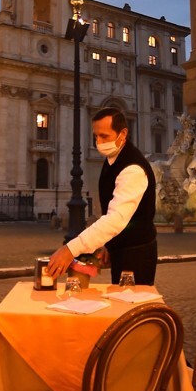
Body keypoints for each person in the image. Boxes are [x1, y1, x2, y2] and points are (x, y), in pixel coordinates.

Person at [45, 107, 158, 285]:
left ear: (123, 134)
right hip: (122, 249)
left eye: (104, 136)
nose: (98, 141)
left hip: (137, 253)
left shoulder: (133, 168)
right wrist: (109, 244)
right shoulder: (114, 159)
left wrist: (70, 249)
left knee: (132, 307)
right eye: (96, 136)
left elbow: (116, 219)